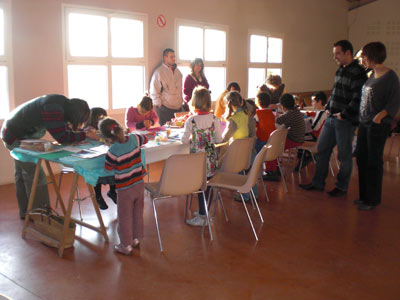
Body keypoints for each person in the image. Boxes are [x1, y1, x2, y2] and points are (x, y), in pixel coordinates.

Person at [0, 94, 96, 219]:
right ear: (74, 115)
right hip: (15, 137)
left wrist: (76, 135)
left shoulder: (61, 104)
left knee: (22, 174)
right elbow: (62, 136)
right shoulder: (53, 108)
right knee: (34, 176)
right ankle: (42, 217)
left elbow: (63, 130)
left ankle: (27, 212)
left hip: (13, 132)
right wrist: (83, 135)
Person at [300, 40, 367, 196]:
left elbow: (358, 98)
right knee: (321, 150)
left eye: (338, 53)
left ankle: (342, 187)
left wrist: (343, 115)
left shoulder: (358, 72)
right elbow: (336, 92)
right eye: (334, 54)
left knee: (344, 156)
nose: (335, 57)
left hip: (345, 121)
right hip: (331, 118)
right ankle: (318, 183)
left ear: (348, 53)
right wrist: (329, 107)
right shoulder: (340, 70)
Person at [355, 42, 400, 210]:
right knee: (361, 157)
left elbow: (394, 103)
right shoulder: (371, 75)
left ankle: (372, 199)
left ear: (372, 56)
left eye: (364, 57)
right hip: (364, 123)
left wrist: (379, 117)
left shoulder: (391, 77)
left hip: (377, 126)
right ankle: (364, 196)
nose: (362, 61)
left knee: (373, 161)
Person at [99, 117, 148, 255]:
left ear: (106, 138)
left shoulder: (112, 151)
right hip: (139, 184)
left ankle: (125, 245)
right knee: (137, 213)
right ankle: (136, 238)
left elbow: (108, 168)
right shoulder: (134, 139)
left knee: (124, 216)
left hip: (125, 188)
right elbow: (145, 139)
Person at [181, 86, 222, 226]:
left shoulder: (191, 120)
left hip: (197, 162)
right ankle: (204, 212)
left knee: (199, 187)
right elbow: (218, 140)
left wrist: (194, 139)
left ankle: (202, 216)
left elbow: (184, 140)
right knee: (207, 186)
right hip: (210, 160)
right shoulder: (214, 119)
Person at [263, 93, 305, 181]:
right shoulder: (296, 112)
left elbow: (276, 120)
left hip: (294, 139)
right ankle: (275, 167)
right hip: (298, 138)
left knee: (272, 146)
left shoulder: (289, 114)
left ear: (282, 106)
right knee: (275, 143)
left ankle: (271, 171)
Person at [84, 107, 117, 210]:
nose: (101, 119)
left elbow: (113, 135)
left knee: (114, 167)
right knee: (96, 172)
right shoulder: (88, 128)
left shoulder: (106, 126)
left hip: (105, 153)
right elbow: (88, 136)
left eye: (103, 117)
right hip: (94, 155)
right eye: (99, 117)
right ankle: (98, 196)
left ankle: (112, 191)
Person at [295, 91, 328, 171]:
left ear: (319, 101)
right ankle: (305, 156)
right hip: (320, 138)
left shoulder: (321, 113)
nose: (312, 103)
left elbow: (315, 128)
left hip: (316, 138)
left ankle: (306, 156)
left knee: (296, 138)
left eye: (313, 101)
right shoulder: (324, 112)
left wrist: (310, 121)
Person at [149, 48, 184, 125]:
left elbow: (180, 90)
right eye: (171, 57)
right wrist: (160, 105)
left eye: (174, 56)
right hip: (165, 109)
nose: (174, 59)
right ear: (165, 57)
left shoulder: (178, 72)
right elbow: (154, 92)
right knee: (166, 133)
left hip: (178, 108)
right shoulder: (159, 72)